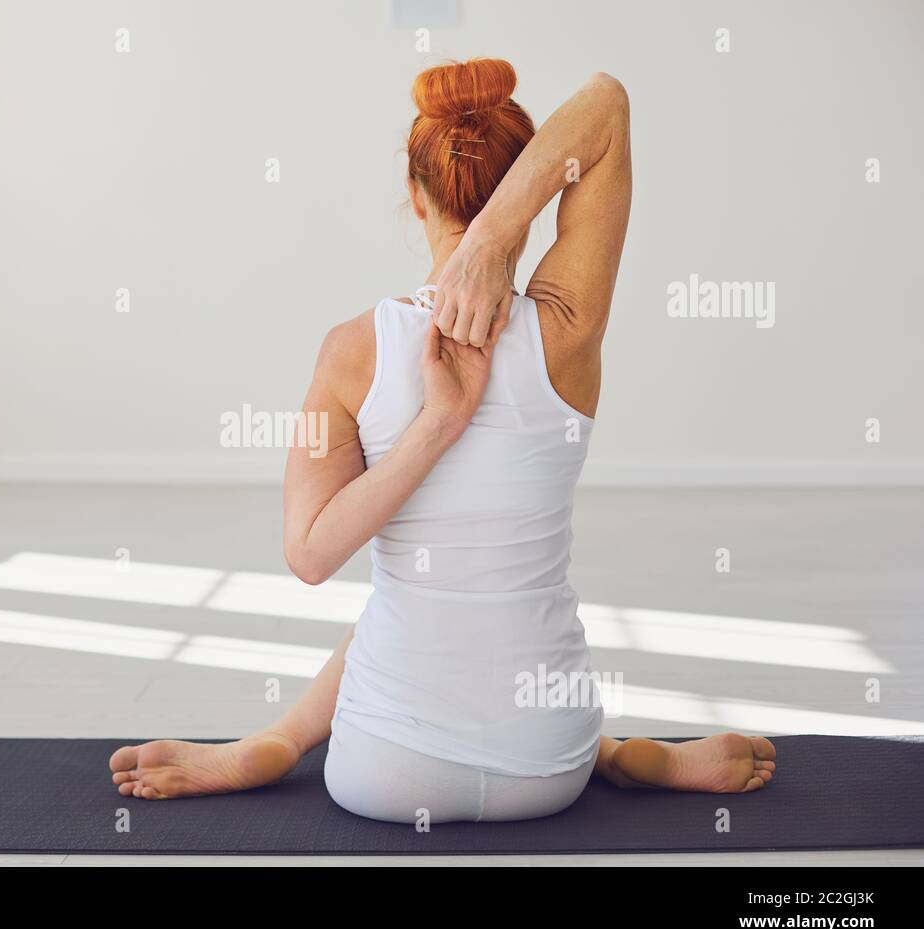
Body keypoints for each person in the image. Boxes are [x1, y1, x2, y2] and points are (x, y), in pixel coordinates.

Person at [109, 59, 775, 823]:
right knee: (474, 597)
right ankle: (610, 752)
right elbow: (607, 103)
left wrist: (432, 427)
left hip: (383, 775)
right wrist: (500, 236)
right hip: (548, 766)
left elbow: (311, 555)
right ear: (531, 186)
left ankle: (281, 741)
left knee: (409, 599)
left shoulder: (352, 349)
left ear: (415, 197)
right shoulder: (565, 330)